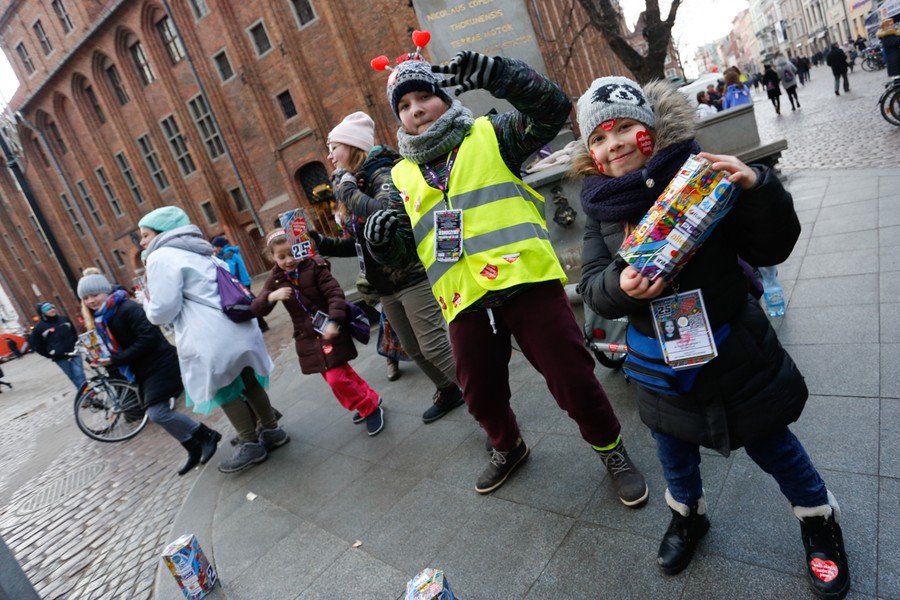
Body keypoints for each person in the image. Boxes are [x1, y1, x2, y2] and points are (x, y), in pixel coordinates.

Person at [573, 75, 850, 599]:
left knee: (772, 442)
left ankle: (818, 517)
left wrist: (757, 186)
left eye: (626, 128)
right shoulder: (600, 209)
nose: (615, 144)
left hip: (732, 349)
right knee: (672, 451)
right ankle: (687, 516)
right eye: (600, 138)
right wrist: (621, 286)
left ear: (650, 130)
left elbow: (771, 246)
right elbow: (592, 286)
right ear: (591, 154)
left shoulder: (702, 175)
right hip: (660, 364)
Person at [364, 47, 648, 504]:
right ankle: (507, 446)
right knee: (479, 391)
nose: (415, 110)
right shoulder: (399, 176)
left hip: (526, 281)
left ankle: (611, 449)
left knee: (573, 378)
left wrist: (504, 76)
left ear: (443, 96)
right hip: (463, 299)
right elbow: (401, 254)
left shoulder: (489, 133)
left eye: (423, 97)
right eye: (403, 105)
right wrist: (381, 241)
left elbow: (553, 110)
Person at [312, 110, 463, 422]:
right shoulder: (353, 181)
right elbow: (360, 241)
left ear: (352, 147)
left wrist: (347, 191)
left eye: (333, 146)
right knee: (412, 347)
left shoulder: (381, 172)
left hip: (411, 275)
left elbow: (384, 213)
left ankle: (487, 402)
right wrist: (319, 242)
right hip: (385, 284)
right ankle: (448, 389)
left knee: (434, 346)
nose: (329, 154)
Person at [139, 206, 288, 474]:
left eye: (145, 235)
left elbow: (163, 310)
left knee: (225, 389)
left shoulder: (160, 256)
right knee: (249, 380)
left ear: (162, 233)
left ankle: (251, 443)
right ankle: (272, 431)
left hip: (210, 334)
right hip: (238, 325)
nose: (142, 242)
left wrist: (147, 303)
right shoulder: (200, 248)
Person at [77, 271, 221, 475]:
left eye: (95, 294)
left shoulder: (127, 308)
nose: (91, 300)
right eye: (86, 298)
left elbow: (149, 338)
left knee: (157, 412)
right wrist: (100, 357)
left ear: (106, 291)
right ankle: (192, 447)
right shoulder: (101, 319)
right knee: (158, 414)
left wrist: (116, 359)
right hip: (142, 371)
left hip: (161, 364)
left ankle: (205, 434)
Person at [252, 229, 385, 435]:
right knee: (342, 372)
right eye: (281, 256)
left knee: (336, 379)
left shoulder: (314, 266)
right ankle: (370, 398)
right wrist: (271, 297)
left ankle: (369, 408)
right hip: (308, 338)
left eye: (292, 253)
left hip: (329, 331)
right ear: (272, 257)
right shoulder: (276, 279)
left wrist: (334, 320)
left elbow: (334, 293)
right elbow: (257, 308)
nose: (289, 260)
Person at [211, 235, 269, 333]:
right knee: (250, 302)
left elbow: (230, 272)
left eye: (215, 247)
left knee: (249, 304)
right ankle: (262, 324)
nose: (214, 249)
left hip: (240, 283)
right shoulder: (230, 252)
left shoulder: (227, 254)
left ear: (219, 246)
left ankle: (262, 325)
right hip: (244, 281)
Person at [27, 302, 86, 390]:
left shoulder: (64, 319)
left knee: (79, 374)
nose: (52, 310)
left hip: (73, 351)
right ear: (42, 313)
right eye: (48, 309)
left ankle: (88, 397)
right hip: (59, 357)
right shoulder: (39, 328)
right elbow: (38, 345)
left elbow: (73, 332)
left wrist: (75, 343)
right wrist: (50, 353)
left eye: (52, 307)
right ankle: (85, 396)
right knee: (72, 376)